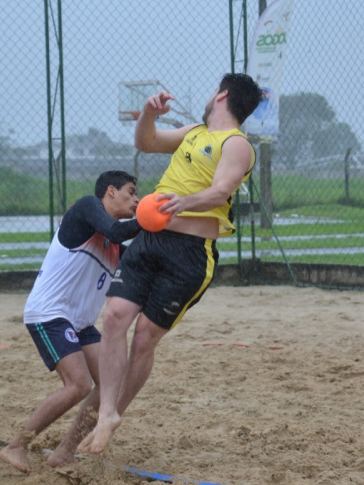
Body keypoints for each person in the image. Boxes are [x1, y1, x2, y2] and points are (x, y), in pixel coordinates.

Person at [79, 73, 262, 456]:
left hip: (191, 252)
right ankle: (106, 413)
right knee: (114, 317)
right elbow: (147, 142)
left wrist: (183, 201)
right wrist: (147, 113)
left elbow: (221, 190)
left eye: (213, 91)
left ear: (221, 95)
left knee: (145, 336)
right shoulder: (194, 131)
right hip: (150, 238)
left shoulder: (237, 144)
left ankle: (114, 412)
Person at [0, 170, 141, 472]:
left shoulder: (115, 247)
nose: (137, 200)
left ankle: (64, 452)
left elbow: (138, 253)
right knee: (78, 384)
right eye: (131, 192)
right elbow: (117, 230)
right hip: (49, 313)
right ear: (111, 191)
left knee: (109, 384)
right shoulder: (87, 208)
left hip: (80, 323)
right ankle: (16, 447)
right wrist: (150, 218)